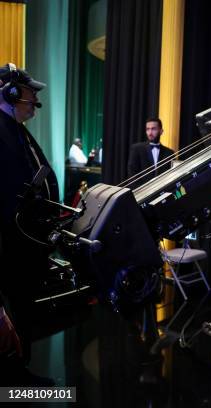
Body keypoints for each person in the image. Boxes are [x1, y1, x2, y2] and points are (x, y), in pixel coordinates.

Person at [0, 62, 57, 385]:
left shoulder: (14, 129)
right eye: (27, 91)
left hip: (22, 254)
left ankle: (18, 381)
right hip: (7, 255)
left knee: (21, 326)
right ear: (9, 92)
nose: (34, 97)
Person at [127, 118, 174, 186]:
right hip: (141, 192)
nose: (150, 132)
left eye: (153, 129)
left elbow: (170, 176)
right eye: (147, 129)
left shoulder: (169, 152)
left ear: (161, 131)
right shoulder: (136, 149)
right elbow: (132, 174)